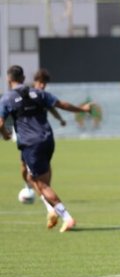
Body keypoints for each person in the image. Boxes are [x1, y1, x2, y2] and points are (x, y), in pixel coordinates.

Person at [1, 65, 92, 232]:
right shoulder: (40, 94)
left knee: (41, 184)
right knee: (37, 178)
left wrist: (5, 133)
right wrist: (83, 109)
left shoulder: (7, 98)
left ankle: (67, 217)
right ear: (23, 78)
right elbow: (62, 105)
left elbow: (0, 123)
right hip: (48, 140)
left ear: (9, 80)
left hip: (31, 144)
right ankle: (51, 209)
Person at [18, 69, 66, 204]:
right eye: (41, 82)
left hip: (40, 138)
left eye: (45, 83)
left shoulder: (43, 96)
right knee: (23, 166)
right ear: (35, 82)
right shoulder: (26, 94)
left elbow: (52, 108)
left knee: (43, 167)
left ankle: (46, 194)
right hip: (26, 137)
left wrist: (60, 119)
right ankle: (29, 186)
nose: (43, 85)